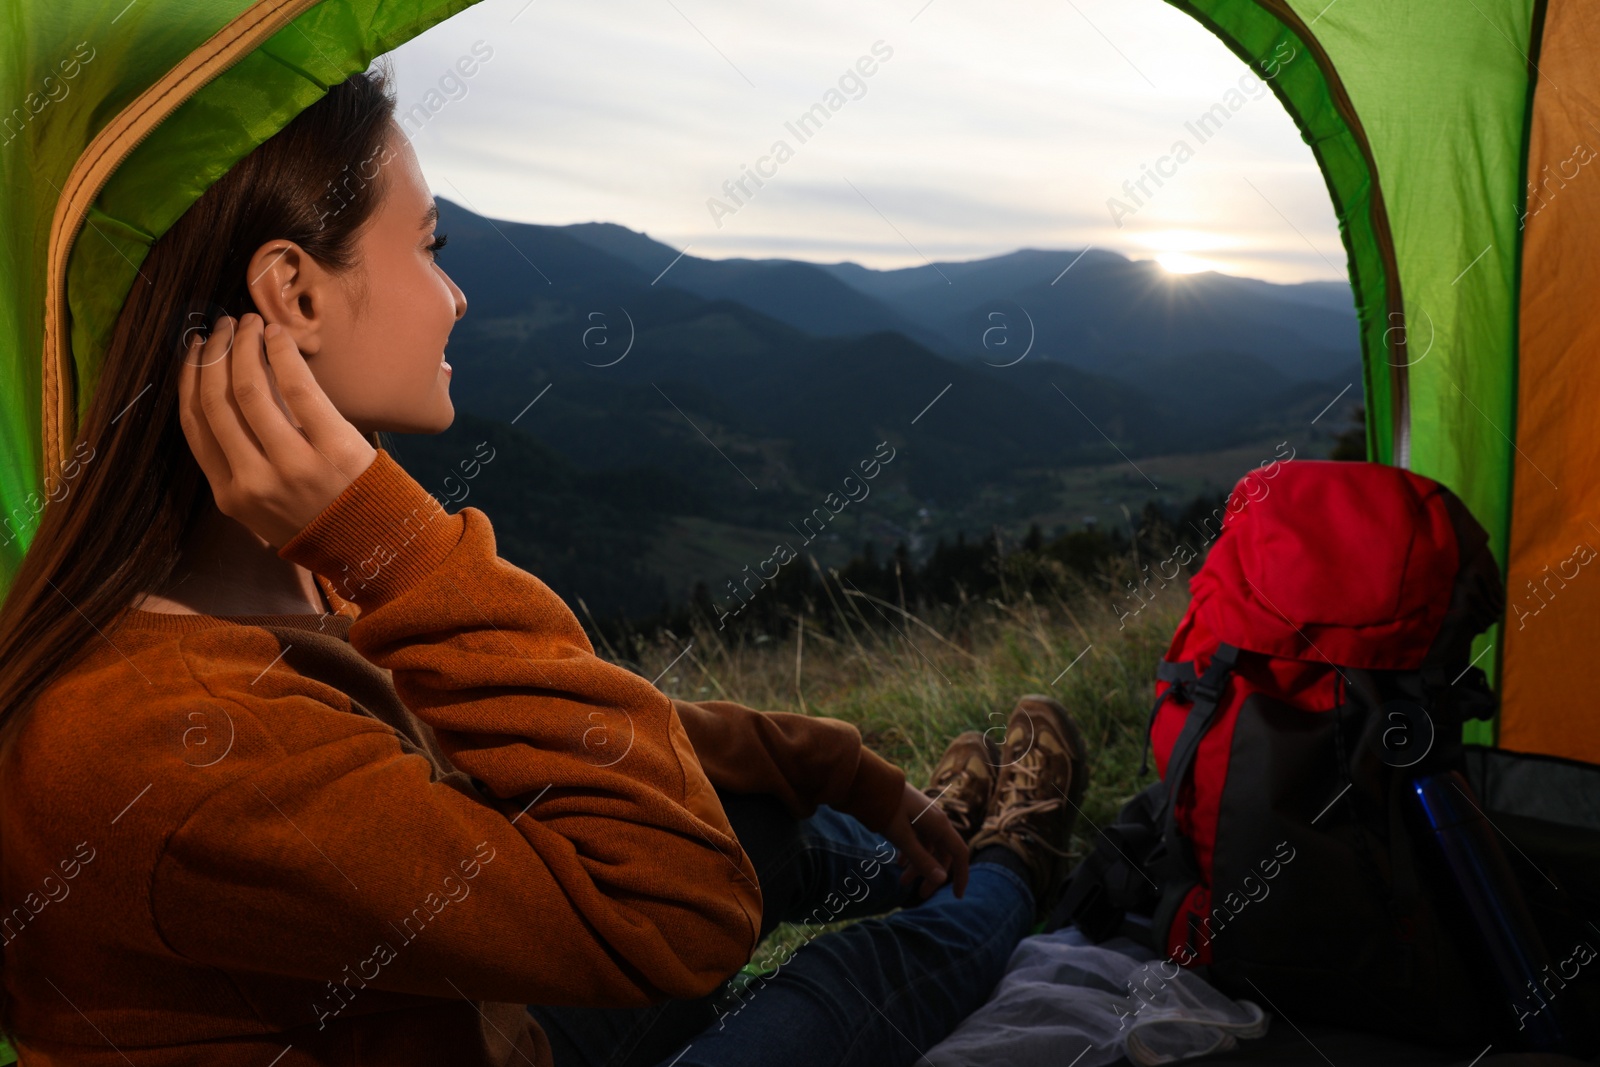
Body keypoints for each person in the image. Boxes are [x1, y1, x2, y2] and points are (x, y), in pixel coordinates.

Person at [0, 67, 1089, 1067]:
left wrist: (837, 766)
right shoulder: (167, 736)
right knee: (838, 990)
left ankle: (919, 842)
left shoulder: (276, 573)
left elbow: (537, 735)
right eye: (429, 246)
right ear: (296, 295)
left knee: (777, 824)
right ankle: (1000, 874)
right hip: (502, 1027)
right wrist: (398, 546)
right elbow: (682, 906)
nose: (456, 295)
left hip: (479, 1024)